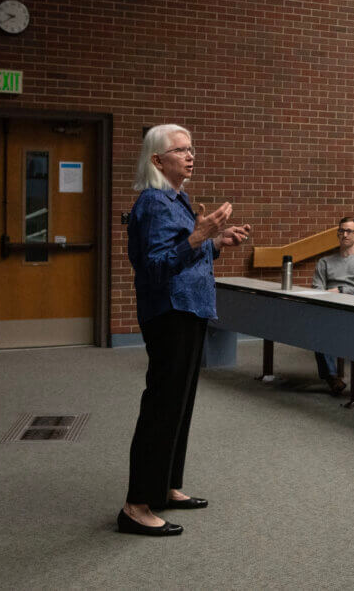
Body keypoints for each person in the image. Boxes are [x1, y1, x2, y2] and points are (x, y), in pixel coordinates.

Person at [121, 124, 252, 537]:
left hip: (190, 309)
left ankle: (164, 488)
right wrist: (199, 235)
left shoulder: (179, 200)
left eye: (192, 148)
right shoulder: (154, 203)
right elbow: (156, 267)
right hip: (169, 313)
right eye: (181, 150)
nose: (191, 155)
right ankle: (136, 505)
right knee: (162, 408)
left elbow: (186, 253)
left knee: (181, 405)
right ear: (158, 160)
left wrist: (216, 242)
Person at [312, 217, 354, 394]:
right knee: (317, 326)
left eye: (349, 231)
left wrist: (341, 291)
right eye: (341, 231)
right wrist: (332, 295)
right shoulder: (324, 262)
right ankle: (332, 377)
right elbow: (318, 290)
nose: (345, 234)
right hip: (331, 310)